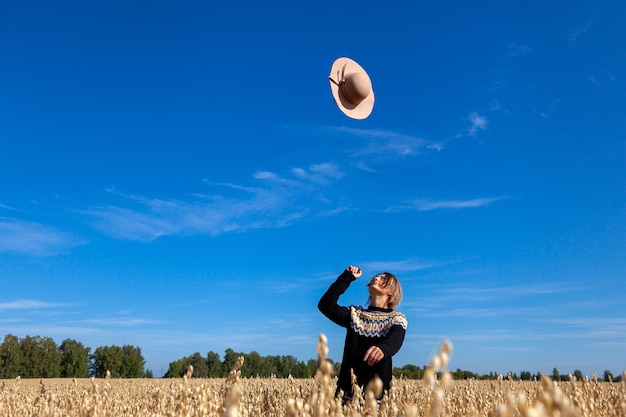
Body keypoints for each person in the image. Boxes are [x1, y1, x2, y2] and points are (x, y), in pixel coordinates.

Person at [318, 265, 407, 402]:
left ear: (390, 291)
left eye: (382, 278)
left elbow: (396, 340)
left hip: (377, 397)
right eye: (376, 276)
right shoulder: (355, 315)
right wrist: (346, 277)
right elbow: (325, 305)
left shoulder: (396, 319)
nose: (376, 277)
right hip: (347, 393)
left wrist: (383, 349)